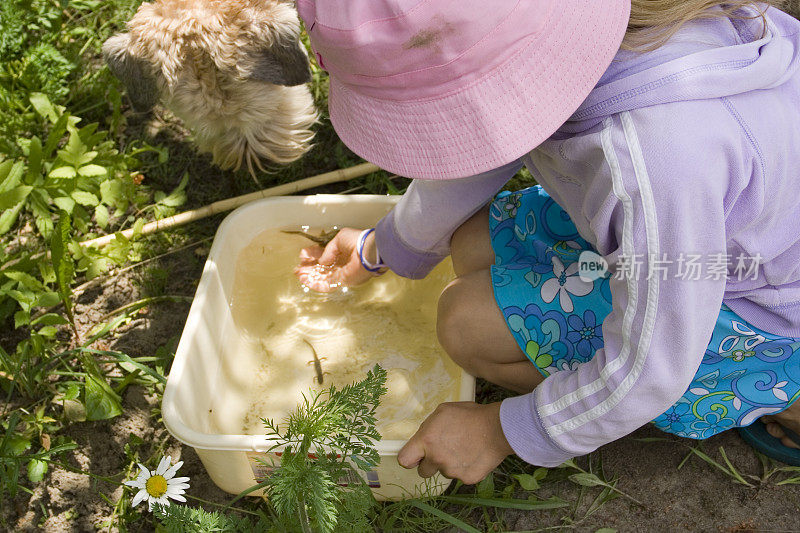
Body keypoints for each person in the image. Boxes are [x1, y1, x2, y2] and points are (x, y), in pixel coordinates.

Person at [294, 0, 800, 483]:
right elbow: (483, 143)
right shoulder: (569, 35)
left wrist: (506, 430)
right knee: (470, 245)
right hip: (700, 242)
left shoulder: (661, 160)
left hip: (752, 303)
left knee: (466, 326)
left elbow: (655, 364)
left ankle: (774, 390)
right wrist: (381, 248)